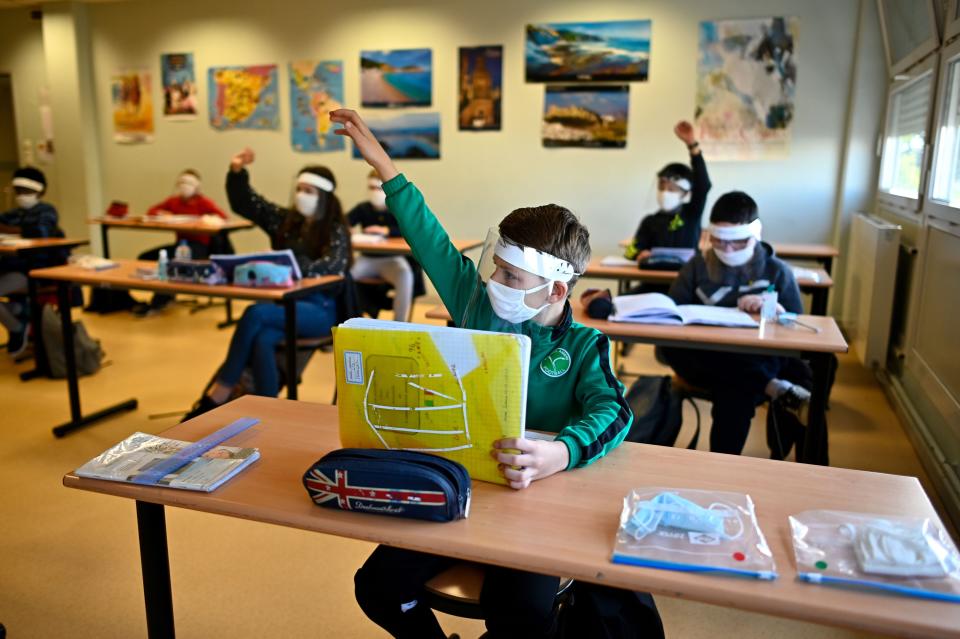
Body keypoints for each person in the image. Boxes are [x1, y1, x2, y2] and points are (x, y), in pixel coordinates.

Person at [331, 108, 641, 639]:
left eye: (510, 274)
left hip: (535, 503)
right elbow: (427, 237)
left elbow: (614, 413)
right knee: (378, 586)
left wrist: (559, 452)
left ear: (556, 290)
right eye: (496, 265)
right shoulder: (477, 304)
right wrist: (386, 168)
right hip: (461, 487)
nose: (494, 279)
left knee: (517, 612)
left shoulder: (586, 346)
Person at [182, 149, 351, 419]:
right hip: (287, 303)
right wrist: (237, 172)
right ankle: (268, 409)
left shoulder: (335, 229)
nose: (301, 196)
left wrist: (289, 266)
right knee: (263, 337)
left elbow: (333, 267)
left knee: (254, 313)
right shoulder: (286, 222)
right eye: (299, 189)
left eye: (309, 191)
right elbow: (248, 203)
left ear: (325, 197)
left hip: (322, 309)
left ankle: (221, 389)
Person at [661, 191, 811, 456]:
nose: (727, 250)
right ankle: (771, 386)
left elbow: (798, 332)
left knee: (735, 390)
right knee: (719, 371)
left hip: (755, 356)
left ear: (755, 235)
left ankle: (723, 465)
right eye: (718, 241)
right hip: (703, 356)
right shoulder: (696, 267)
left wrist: (777, 310)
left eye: (738, 243)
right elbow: (672, 314)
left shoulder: (777, 271)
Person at [624, 121, 711, 288]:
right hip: (652, 284)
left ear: (685, 193)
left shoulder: (691, 214)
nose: (665, 192)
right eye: (661, 187)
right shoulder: (650, 221)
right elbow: (630, 252)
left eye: (672, 189)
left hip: (686, 284)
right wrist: (638, 255)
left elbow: (703, 185)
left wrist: (692, 146)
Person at [133, 169, 230, 316]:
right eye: (182, 182)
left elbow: (223, 217)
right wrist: (164, 214)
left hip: (199, 246)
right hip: (181, 245)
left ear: (197, 186)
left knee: (174, 264)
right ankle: (166, 295)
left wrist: (203, 220)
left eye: (189, 183)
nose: (185, 186)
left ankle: (158, 302)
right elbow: (152, 211)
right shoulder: (173, 201)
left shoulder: (203, 202)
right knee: (146, 256)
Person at [0, 167, 64, 357]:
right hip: (8, 267)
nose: (21, 196)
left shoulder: (47, 211)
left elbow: (41, 231)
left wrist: (9, 230)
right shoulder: (12, 213)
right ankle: (17, 310)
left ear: (40, 192)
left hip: (33, 270)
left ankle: (17, 327)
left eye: (27, 191)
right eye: (18, 191)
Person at [347, 171, 417, 321]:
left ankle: (400, 324)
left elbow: (410, 229)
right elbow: (344, 222)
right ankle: (351, 318)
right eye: (371, 188)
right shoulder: (363, 208)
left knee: (406, 275)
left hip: (392, 260)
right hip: (367, 259)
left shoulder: (396, 208)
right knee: (345, 277)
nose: (374, 192)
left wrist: (386, 230)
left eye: (378, 188)